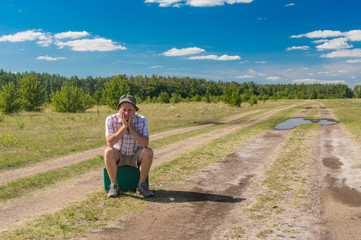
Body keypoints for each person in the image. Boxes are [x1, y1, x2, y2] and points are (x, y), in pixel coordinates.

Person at [104, 94, 154, 198]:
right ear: (119, 109)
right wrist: (124, 126)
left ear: (135, 110)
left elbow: (145, 143)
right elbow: (110, 143)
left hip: (135, 154)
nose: (127, 113)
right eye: (124, 110)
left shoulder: (142, 119)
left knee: (148, 151)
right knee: (108, 151)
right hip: (119, 154)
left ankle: (142, 185)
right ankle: (114, 185)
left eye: (130, 110)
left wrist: (130, 126)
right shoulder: (110, 119)